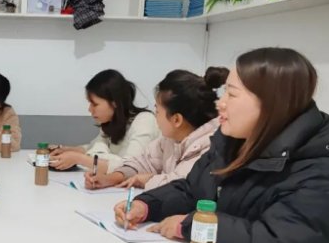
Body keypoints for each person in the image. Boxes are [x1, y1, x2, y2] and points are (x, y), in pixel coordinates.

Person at [115, 48, 329, 243]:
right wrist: (147, 205)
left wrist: (190, 226)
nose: (220, 103)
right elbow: (192, 189)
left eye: (231, 94)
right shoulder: (233, 143)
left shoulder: (326, 169)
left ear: (270, 102)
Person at [84, 67, 227, 190]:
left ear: (176, 120)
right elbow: (141, 162)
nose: (155, 116)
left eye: (157, 111)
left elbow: (183, 185)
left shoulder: (209, 146)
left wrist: (149, 179)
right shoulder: (169, 140)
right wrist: (111, 178)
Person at [49, 69, 158, 171]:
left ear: (114, 103)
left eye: (95, 104)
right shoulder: (110, 122)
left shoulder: (144, 121)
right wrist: (68, 150)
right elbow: (94, 147)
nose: (89, 109)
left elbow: (130, 167)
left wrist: (79, 158)